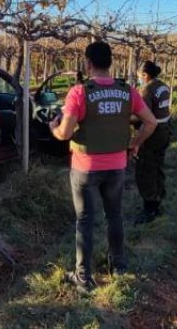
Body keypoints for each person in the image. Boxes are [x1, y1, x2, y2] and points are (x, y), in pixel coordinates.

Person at [49, 40, 157, 294]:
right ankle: (118, 266)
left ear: (88, 63)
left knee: (85, 221)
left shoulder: (79, 92)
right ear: (111, 62)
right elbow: (151, 122)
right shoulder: (127, 90)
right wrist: (134, 143)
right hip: (117, 165)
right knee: (114, 216)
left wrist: (53, 128)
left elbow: (65, 134)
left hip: (85, 168)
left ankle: (84, 278)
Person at [134, 61, 173, 224]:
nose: (139, 80)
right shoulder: (163, 86)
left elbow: (144, 117)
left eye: (139, 77)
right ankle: (158, 199)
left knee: (145, 170)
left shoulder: (146, 90)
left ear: (145, 75)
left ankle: (150, 210)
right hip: (165, 130)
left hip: (152, 134)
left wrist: (125, 118)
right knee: (158, 166)